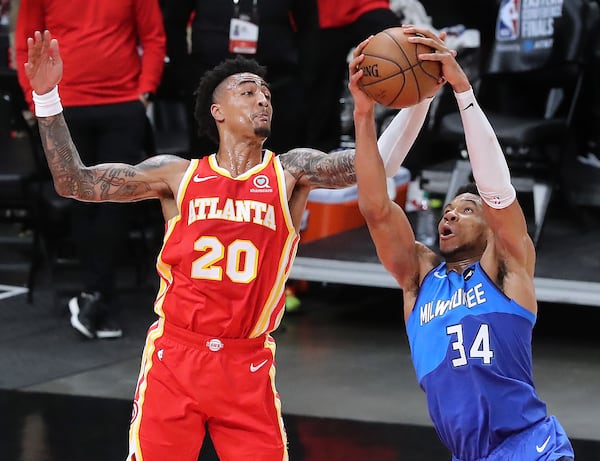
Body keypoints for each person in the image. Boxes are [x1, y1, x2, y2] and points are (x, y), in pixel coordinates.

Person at [23, 28, 431, 460]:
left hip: (247, 362)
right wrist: (47, 98)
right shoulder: (177, 175)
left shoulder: (290, 172)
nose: (263, 99)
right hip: (175, 357)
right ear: (217, 110)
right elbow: (76, 183)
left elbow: (378, 165)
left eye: (267, 94)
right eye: (249, 91)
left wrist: (421, 94)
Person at [351, 24, 575, 461]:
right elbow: (376, 206)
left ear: (491, 228)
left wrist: (461, 90)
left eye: (468, 209)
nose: (451, 213)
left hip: (530, 446)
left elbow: (497, 190)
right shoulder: (419, 278)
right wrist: (366, 113)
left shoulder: (507, 265)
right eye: (449, 208)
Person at [15, 0, 166, 339]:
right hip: (64, 104)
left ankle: (94, 294)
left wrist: (145, 91)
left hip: (122, 104)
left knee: (116, 200)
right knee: (79, 200)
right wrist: (37, 98)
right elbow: (26, 39)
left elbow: (153, 37)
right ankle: (96, 295)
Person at [160, 0, 317, 157]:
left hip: (278, 83)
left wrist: (302, 74)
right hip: (211, 83)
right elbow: (173, 22)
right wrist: (186, 73)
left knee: (278, 162)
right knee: (211, 161)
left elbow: (309, 23)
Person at [304, 0, 401, 153]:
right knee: (319, 85)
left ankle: (407, 164)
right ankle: (319, 153)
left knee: (406, 58)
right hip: (319, 15)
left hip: (367, 5)